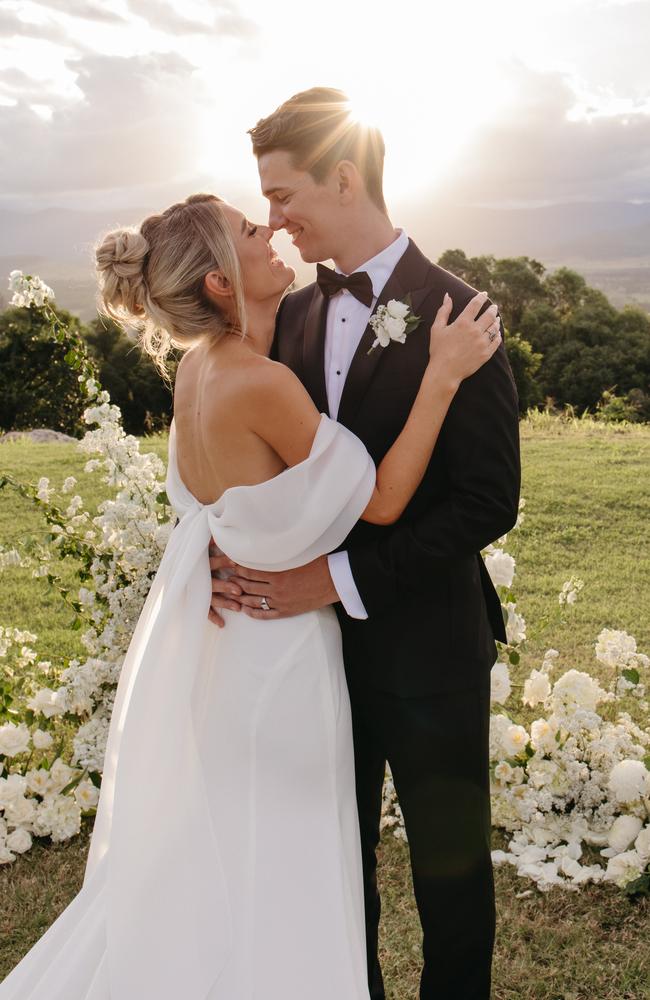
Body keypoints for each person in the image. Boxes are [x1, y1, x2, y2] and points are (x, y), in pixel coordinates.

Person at [0, 191, 500, 1000]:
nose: (269, 231)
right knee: (289, 862)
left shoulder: (194, 372)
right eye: (248, 229)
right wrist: (441, 376)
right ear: (222, 285)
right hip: (282, 659)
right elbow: (379, 502)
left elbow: (206, 516)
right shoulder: (260, 383)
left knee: (239, 856)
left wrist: (203, 569)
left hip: (231, 650)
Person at [208, 88, 521, 1000]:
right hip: (316, 663)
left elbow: (486, 501)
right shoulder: (292, 320)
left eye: (281, 196)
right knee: (334, 872)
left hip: (429, 651)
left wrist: (334, 578)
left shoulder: (459, 317)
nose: (274, 219)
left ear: (342, 177)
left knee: (449, 879)